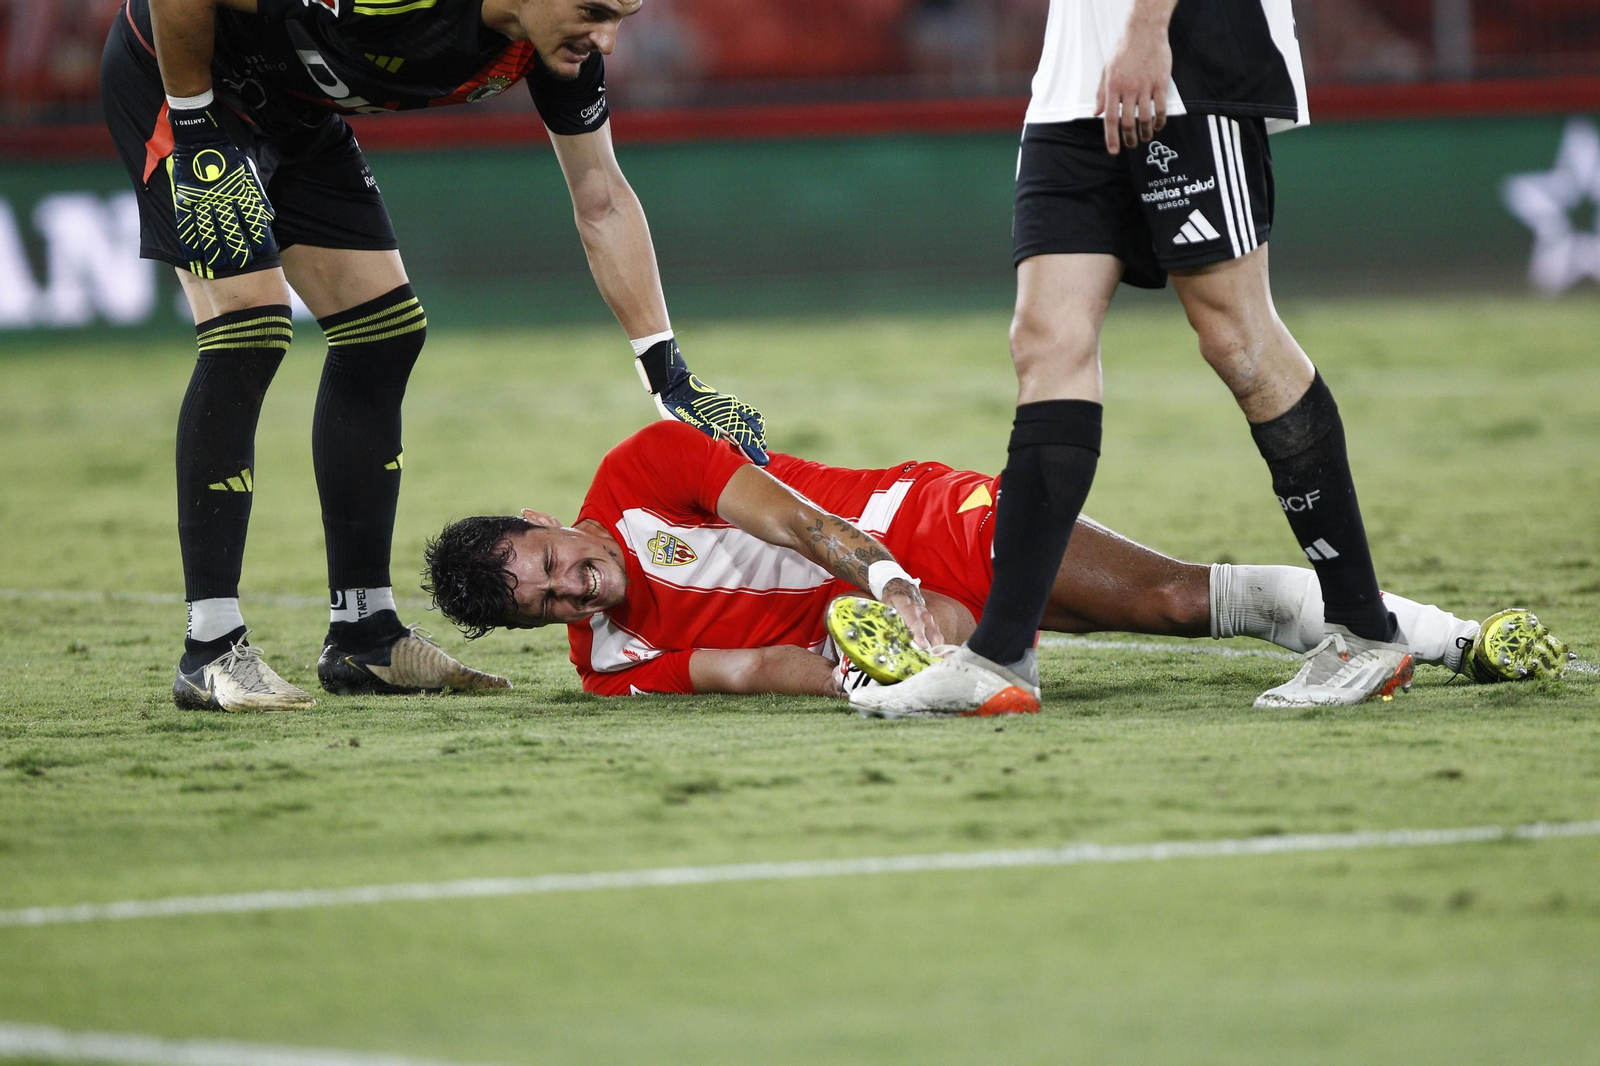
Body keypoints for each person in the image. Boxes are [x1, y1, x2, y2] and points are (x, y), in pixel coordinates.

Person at [100, 0, 767, 712]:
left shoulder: (554, 46)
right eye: (594, 11)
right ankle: (211, 648)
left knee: (382, 335)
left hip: (291, 105)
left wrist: (669, 374)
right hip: (185, 80)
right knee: (251, 325)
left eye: (621, 17)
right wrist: (197, 124)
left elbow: (600, 197)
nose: (605, 37)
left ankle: (365, 635)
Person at [855, 0, 1412, 716]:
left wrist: (1148, 29)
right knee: (1045, 338)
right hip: (1073, 77)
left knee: (1237, 336)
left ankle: (1366, 632)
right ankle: (999, 657)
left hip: (1188, 58)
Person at [420, 422, 1569, 704]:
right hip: (913, 624)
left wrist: (880, 586)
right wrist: (883, 675)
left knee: (1170, 598)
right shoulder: (609, 664)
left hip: (920, 528)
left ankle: (1461, 638)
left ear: (542, 517)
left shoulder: (639, 468)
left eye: (552, 558)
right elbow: (747, 675)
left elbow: (797, 526)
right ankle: (1415, 639)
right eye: (550, 603)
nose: (577, 584)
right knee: (1166, 614)